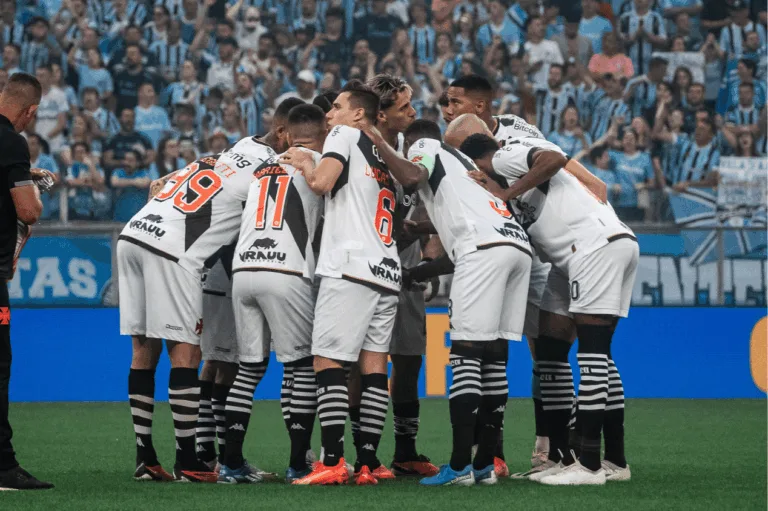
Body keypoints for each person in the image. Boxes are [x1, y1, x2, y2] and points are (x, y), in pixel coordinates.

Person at [118, 103, 281, 483]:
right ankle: (188, 460)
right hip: (173, 251)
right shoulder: (267, 170)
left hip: (134, 233)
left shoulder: (212, 159)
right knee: (187, 353)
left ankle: (145, 456)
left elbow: (158, 186)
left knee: (143, 350)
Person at [465, 133, 638, 486]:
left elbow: (553, 158)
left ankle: (591, 465)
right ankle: (567, 457)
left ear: (476, 163)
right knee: (549, 351)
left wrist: (505, 193)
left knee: (593, 355)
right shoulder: (502, 186)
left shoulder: (504, 157)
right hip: (571, 259)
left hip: (592, 246)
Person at [368, 119, 532, 487]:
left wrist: (380, 140)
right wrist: (418, 265)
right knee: (493, 357)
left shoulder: (424, 146)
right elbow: (458, 236)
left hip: (483, 248)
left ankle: (459, 466)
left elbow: (412, 177)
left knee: (465, 356)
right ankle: (485, 465)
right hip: (515, 246)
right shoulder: (465, 166)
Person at [280, 81, 399, 486]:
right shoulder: (382, 153)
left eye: (337, 107)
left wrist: (305, 163)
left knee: (327, 362)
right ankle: (369, 462)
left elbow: (322, 182)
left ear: (357, 114)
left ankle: (332, 460)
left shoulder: (344, 135)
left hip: (350, 266)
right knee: (374, 368)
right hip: (387, 269)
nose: (328, 115)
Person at [218, 104, 326, 484]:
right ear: (322, 134)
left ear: (288, 134)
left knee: (248, 370)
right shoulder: (319, 164)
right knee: (302, 367)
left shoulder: (263, 167)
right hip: (286, 270)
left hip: (244, 270)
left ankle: (230, 463)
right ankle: (299, 463)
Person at [366, 74, 439, 478]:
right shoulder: (363, 153)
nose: (413, 112)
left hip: (407, 269)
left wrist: (428, 252)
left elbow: (427, 202)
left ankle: (406, 451)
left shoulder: (410, 151)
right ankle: (361, 454)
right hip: (367, 271)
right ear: (382, 114)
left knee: (409, 360)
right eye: (405, 106)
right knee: (362, 364)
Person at [0, 72, 54, 490]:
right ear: (30, 111)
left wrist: (22, 174)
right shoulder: (11, 141)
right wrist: (33, 189)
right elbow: (29, 212)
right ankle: (3, 466)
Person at [618, 0, 668, 76]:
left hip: (651, 65)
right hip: (630, 64)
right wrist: (635, 36)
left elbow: (663, 41)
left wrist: (647, 35)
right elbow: (620, 42)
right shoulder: (625, 18)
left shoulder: (656, 17)